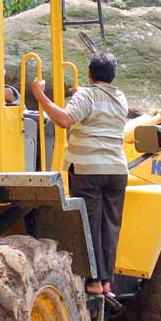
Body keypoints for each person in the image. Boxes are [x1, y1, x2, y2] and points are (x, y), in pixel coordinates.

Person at [31, 53, 128, 296]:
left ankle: (94, 281)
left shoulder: (87, 95)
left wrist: (40, 95)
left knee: (89, 224)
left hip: (89, 170)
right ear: (113, 76)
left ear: (90, 74)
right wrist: (81, 94)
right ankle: (107, 282)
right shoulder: (120, 98)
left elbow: (64, 120)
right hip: (116, 170)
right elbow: (96, 107)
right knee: (110, 226)